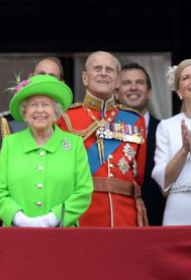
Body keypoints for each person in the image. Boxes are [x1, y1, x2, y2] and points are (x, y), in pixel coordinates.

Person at [57, 51, 147, 227]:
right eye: (97, 68)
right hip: (82, 213)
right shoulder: (66, 118)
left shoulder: (136, 121)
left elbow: (139, 176)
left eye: (110, 70)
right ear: (85, 78)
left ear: (118, 81)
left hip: (125, 215)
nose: (104, 73)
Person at [0, 75, 93, 227]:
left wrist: (53, 218)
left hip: (62, 237)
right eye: (33, 105)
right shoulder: (10, 144)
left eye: (46, 104)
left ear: (56, 110)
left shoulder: (74, 145)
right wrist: (19, 219)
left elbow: (83, 192)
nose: (39, 110)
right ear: (24, 112)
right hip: (17, 237)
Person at [0, 56, 64, 225]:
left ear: (62, 83)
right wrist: (15, 217)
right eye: (41, 73)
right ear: (30, 77)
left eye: (52, 76)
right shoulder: (5, 126)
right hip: (15, 223)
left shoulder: (70, 128)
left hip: (59, 225)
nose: (45, 78)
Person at [116, 62, 166, 226]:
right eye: (126, 83)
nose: (133, 87)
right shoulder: (103, 132)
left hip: (158, 224)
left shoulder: (165, 130)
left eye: (139, 82)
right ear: (116, 93)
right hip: (117, 221)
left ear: (149, 92)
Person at [151, 59, 191, 225]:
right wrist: (184, 151)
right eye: (186, 77)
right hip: (178, 208)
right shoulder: (166, 126)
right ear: (178, 91)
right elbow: (164, 181)